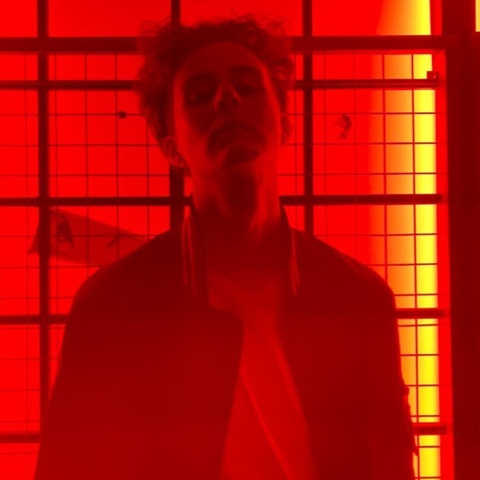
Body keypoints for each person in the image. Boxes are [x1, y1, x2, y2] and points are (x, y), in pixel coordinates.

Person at [34, 16, 416, 480]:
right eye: (199, 95)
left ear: (285, 125)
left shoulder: (360, 298)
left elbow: (390, 459)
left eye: (248, 87)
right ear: (172, 149)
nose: (227, 99)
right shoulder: (112, 308)